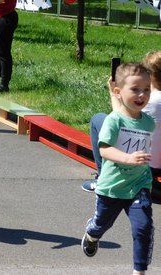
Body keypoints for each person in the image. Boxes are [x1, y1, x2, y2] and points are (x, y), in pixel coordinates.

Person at [81, 63, 154, 275]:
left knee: (143, 227)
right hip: (112, 187)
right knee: (101, 225)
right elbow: (104, 150)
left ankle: (139, 271)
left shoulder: (148, 122)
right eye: (135, 89)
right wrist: (128, 158)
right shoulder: (113, 120)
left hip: (139, 184)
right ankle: (92, 234)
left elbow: (126, 117)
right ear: (119, 91)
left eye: (147, 89)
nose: (142, 94)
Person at [82, 52, 161, 201]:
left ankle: (102, 176)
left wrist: (113, 92)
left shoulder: (151, 100)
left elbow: (121, 121)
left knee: (98, 119)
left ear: (150, 75)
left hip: (143, 163)